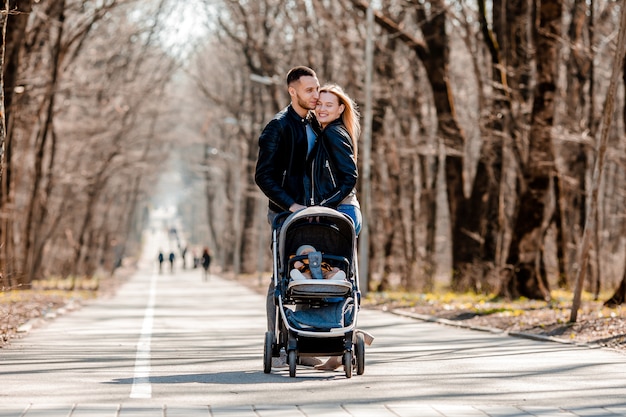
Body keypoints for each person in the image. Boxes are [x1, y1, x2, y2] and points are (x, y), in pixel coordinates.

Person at [254, 66, 320, 341]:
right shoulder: (278, 126)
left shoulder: (316, 122)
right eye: (309, 90)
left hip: (318, 212)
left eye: (317, 88)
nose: (316, 95)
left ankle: (308, 334)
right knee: (282, 275)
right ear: (292, 92)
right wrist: (291, 205)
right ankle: (277, 337)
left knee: (314, 271)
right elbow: (263, 176)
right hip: (285, 213)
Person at [307, 84, 362, 235]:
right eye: (319, 104)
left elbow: (350, 177)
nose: (322, 109)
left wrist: (323, 205)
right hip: (343, 210)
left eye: (329, 105)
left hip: (340, 211)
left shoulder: (333, 133)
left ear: (340, 109)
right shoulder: (328, 132)